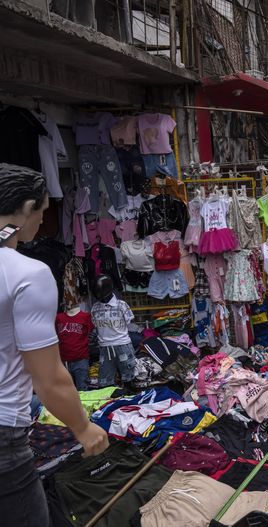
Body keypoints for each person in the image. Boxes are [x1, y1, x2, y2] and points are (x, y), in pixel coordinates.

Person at [0, 163, 109, 526]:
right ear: (26, 208)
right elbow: (48, 377)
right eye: (42, 211)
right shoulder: (27, 274)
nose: (42, 221)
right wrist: (83, 427)